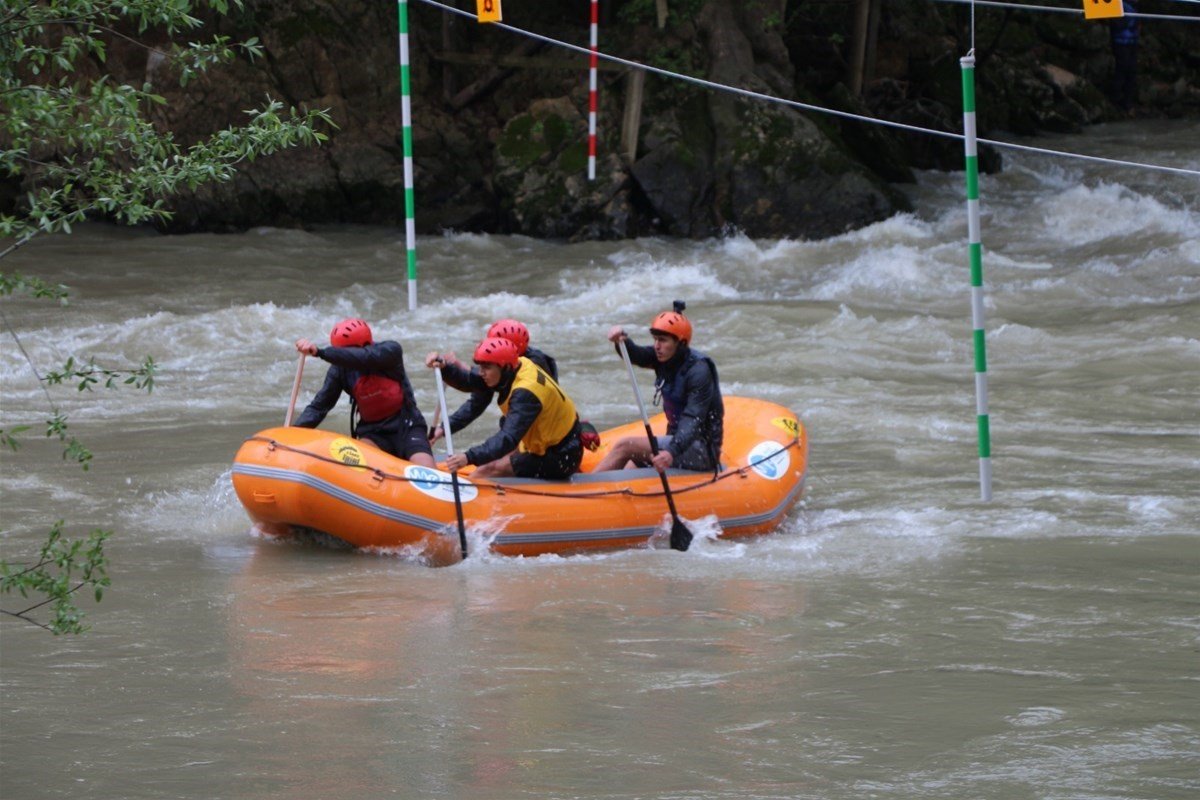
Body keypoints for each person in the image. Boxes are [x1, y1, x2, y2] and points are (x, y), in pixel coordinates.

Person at [594, 301, 723, 473]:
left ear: (680, 344)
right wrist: (621, 341)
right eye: (655, 339)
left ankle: (578, 495)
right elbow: (637, 355)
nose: (657, 346)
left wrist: (671, 451)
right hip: (675, 442)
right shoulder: (664, 357)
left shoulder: (699, 371)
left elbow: (694, 419)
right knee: (631, 464)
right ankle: (602, 495)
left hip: (700, 450)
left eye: (662, 340)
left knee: (625, 446)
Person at [293, 317, 435, 467]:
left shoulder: (390, 351)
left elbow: (363, 357)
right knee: (359, 469)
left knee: (427, 471)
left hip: (407, 426)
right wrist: (293, 434)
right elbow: (319, 407)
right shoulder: (339, 370)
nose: (344, 359)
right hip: (373, 433)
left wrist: (319, 352)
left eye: (345, 353)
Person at [436, 336, 583, 480]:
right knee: (492, 458)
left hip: (562, 456)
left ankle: (467, 499)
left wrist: (468, 457)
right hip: (549, 441)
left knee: (489, 469)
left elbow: (508, 437)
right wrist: (445, 368)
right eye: (481, 366)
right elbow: (471, 381)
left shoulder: (526, 393)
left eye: (486, 367)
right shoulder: (518, 364)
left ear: (504, 367)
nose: (481, 372)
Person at [424, 318, 558, 444]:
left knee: (505, 427)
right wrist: (443, 429)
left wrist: (471, 457)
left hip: (544, 430)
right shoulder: (507, 365)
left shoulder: (531, 370)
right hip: (526, 423)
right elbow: (478, 400)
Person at [1109, 0, 1140, 113]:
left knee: (1132, 71)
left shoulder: (1134, 5)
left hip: (1132, 42)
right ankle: (1116, 99)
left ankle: (1127, 102)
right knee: (1122, 70)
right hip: (1120, 42)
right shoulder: (1118, 4)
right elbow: (1116, 23)